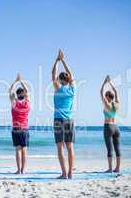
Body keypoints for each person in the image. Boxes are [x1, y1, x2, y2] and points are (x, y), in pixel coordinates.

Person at [51, 49, 76, 179]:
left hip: (58, 120)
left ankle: (64, 173)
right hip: (69, 120)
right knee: (70, 147)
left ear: (60, 80)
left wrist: (57, 60)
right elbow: (71, 74)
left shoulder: (58, 88)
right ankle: (70, 173)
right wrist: (64, 60)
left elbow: (52, 73)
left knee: (60, 147)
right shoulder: (72, 89)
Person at [9, 73, 30, 174]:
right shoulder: (27, 103)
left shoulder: (14, 103)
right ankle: (24, 170)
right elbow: (27, 91)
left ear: (17, 95)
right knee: (24, 149)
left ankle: (19, 170)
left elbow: (10, 91)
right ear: (24, 95)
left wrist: (15, 81)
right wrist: (21, 81)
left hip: (16, 128)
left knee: (18, 149)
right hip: (25, 129)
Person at [100, 75, 121, 173]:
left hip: (108, 126)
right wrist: (110, 83)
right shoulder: (116, 104)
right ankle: (117, 168)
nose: (105, 97)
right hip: (116, 127)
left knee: (109, 148)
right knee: (117, 148)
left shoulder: (107, 104)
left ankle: (110, 168)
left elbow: (100, 92)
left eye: (106, 96)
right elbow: (116, 92)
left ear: (108, 97)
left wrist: (105, 82)